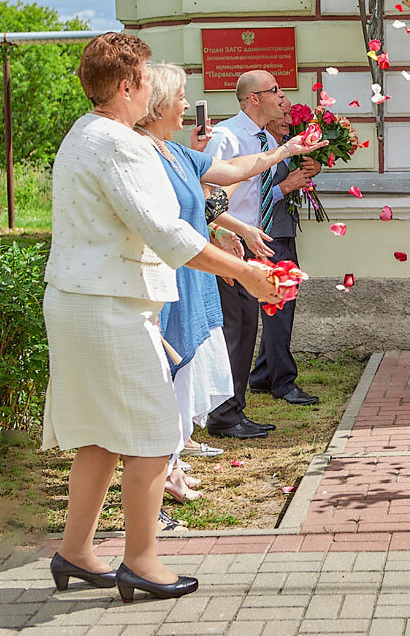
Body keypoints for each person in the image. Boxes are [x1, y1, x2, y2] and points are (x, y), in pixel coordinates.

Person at [43, 33, 280, 602]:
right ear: (126, 87)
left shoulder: (85, 133)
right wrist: (243, 272)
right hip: (110, 307)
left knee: (99, 437)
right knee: (153, 433)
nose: (153, 89)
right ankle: (142, 561)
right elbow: (166, 232)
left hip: (83, 299)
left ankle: (76, 552)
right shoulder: (119, 145)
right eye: (147, 79)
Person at [134, 64, 323, 503]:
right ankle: (203, 431)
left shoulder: (188, 150)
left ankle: (180, 451)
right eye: (180, 98)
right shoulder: (163, 150)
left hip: (220, 249)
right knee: (213, 340)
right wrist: (229, 232)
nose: (187, 105)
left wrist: (284, 153)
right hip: (196, 258)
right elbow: (203, 199)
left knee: (220, 339)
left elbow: (237, 174)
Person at [201, 70, 314, 440]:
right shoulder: (226, 136)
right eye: (275, 91)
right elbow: (208, 193)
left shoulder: (266, 138)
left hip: (255, 241)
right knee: (236, 329)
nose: (282, 97)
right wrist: (230, 234)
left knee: (248, 327)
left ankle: (234, 408)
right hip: (229, 245)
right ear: (254, 98)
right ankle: (223, 414)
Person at [251, 108, 324, 399]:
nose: (288, 119)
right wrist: (285, 187)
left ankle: (261, 374)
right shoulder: (261, 149)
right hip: (267, 235)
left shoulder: (286, 145)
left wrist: (311, 168)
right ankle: (284, 383)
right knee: (279, 308)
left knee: (282, 304)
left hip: (283, 231)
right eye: (282, 113)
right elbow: (248, 197)